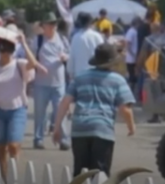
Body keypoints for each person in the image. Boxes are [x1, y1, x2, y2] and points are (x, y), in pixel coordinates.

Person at [52, 43, 136, 176]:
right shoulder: (118, 80)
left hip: (80, 128)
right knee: (100, 173)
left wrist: (57, 128)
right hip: (102, 129)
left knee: (80, 172)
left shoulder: (80, 77)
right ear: (113, 62)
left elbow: (65, 102)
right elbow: (125, 108)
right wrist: (131, 127)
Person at [0, 31, 39, 184]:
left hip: (17, 110)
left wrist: (24, 43)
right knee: (1, 149)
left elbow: (33, 64)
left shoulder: (19, 64)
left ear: (13, 51)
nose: (4, 53)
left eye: (8, 50)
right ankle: (6, 180)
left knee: (13, 146)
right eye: (2, 50)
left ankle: (14, 178)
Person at [31, 13, 69, 150]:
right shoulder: (38, 40)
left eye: (54, 24)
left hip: (59, 82)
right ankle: (38, 138)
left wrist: (65, 57)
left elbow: (69, 54)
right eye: (49, 24)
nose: (52, 27)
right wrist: (38, 66)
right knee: (40, 112)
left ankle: (64, 139)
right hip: (41, 83)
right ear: (43, 26)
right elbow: (30, 57)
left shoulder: (62, 39)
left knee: (61, 111)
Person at [69, 12, 105, 78]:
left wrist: (70, 72)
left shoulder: (75, 37)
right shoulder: (97, 36)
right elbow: (103, 54)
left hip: (79, 73)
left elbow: (72, 56)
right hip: (96, 73)